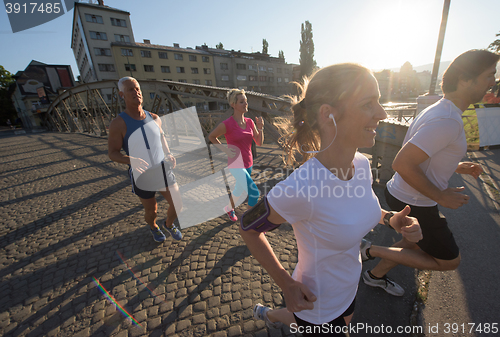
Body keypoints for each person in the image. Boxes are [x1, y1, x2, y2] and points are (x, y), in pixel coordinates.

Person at [239, 64, 423, 336]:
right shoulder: (302, 187)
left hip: (350, 286)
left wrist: (390, 219)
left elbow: (362, 208)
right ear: (328, 114)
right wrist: (286, 284)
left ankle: (271, 314)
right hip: (317, 304)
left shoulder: (360, 164)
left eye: (380, 102)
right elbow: (248, 227)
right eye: (368, 104)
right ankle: (274, 314)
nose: (382, 113)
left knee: (345, 323)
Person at [362, 49, 499, 296]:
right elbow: (403, 163)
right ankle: (370, 251)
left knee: (412, 241)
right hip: (415, 201)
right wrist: (441, 196)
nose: (494, 81)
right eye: (490, 75)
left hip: (403, 194)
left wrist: (456, 166)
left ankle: (375, 275)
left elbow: (426, 153)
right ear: (466, 79)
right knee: (449, 261)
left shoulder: (440, 109)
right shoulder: (447, 120)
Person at [108, 76, 183, 243]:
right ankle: (153, 226)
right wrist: (131, 160)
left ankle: (169, 224)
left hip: (162, 169)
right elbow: (112, 153)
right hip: (142, 174)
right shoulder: (118, 123)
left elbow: (162, 138)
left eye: (137, 88)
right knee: (152, 211)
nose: (136, 92)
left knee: (178, 203)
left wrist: (168, 153)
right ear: (122, 95)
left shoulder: (155, 118)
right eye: (130, 90)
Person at [208, 89, 264, 221]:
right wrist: (225, 150)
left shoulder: (250, 122)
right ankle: (250, 221)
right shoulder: (227, 124)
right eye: (241, 102)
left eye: (246, 101)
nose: (245, 104)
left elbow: (259, 142)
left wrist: (260, 127)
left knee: (238, 190)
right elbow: (212, 136)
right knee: (254, 193)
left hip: (248, 163)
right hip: (236, 164)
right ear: (233, 104)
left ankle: (228, 208)